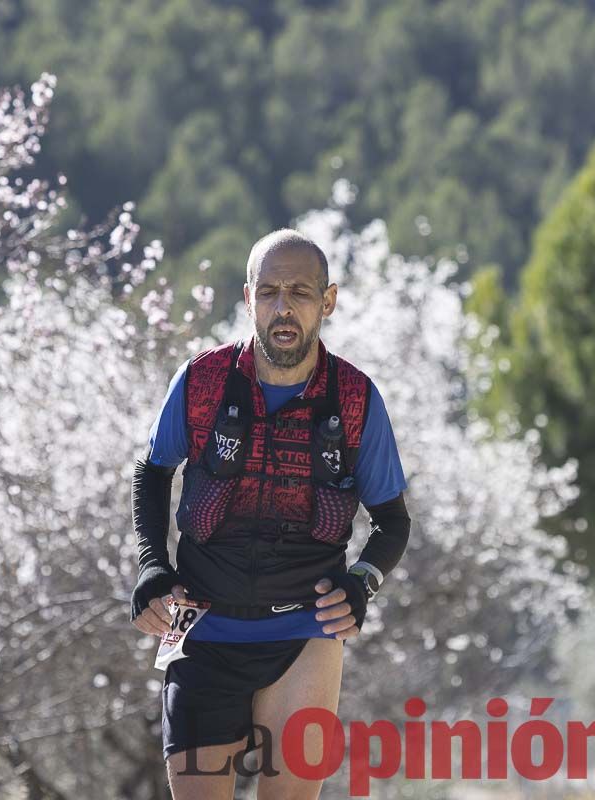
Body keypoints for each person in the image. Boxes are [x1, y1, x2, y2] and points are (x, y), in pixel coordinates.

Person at [129, 229, 411, 799]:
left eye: (301, 293)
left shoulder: (357, 400)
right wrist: (152, 567)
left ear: (327, 301)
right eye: (270, 291)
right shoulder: (202, 382)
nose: (284, 308)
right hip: (202, 628)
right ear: (249, 296)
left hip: (305, 629)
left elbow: (392, 522)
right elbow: (152, 474)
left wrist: (362, 581)